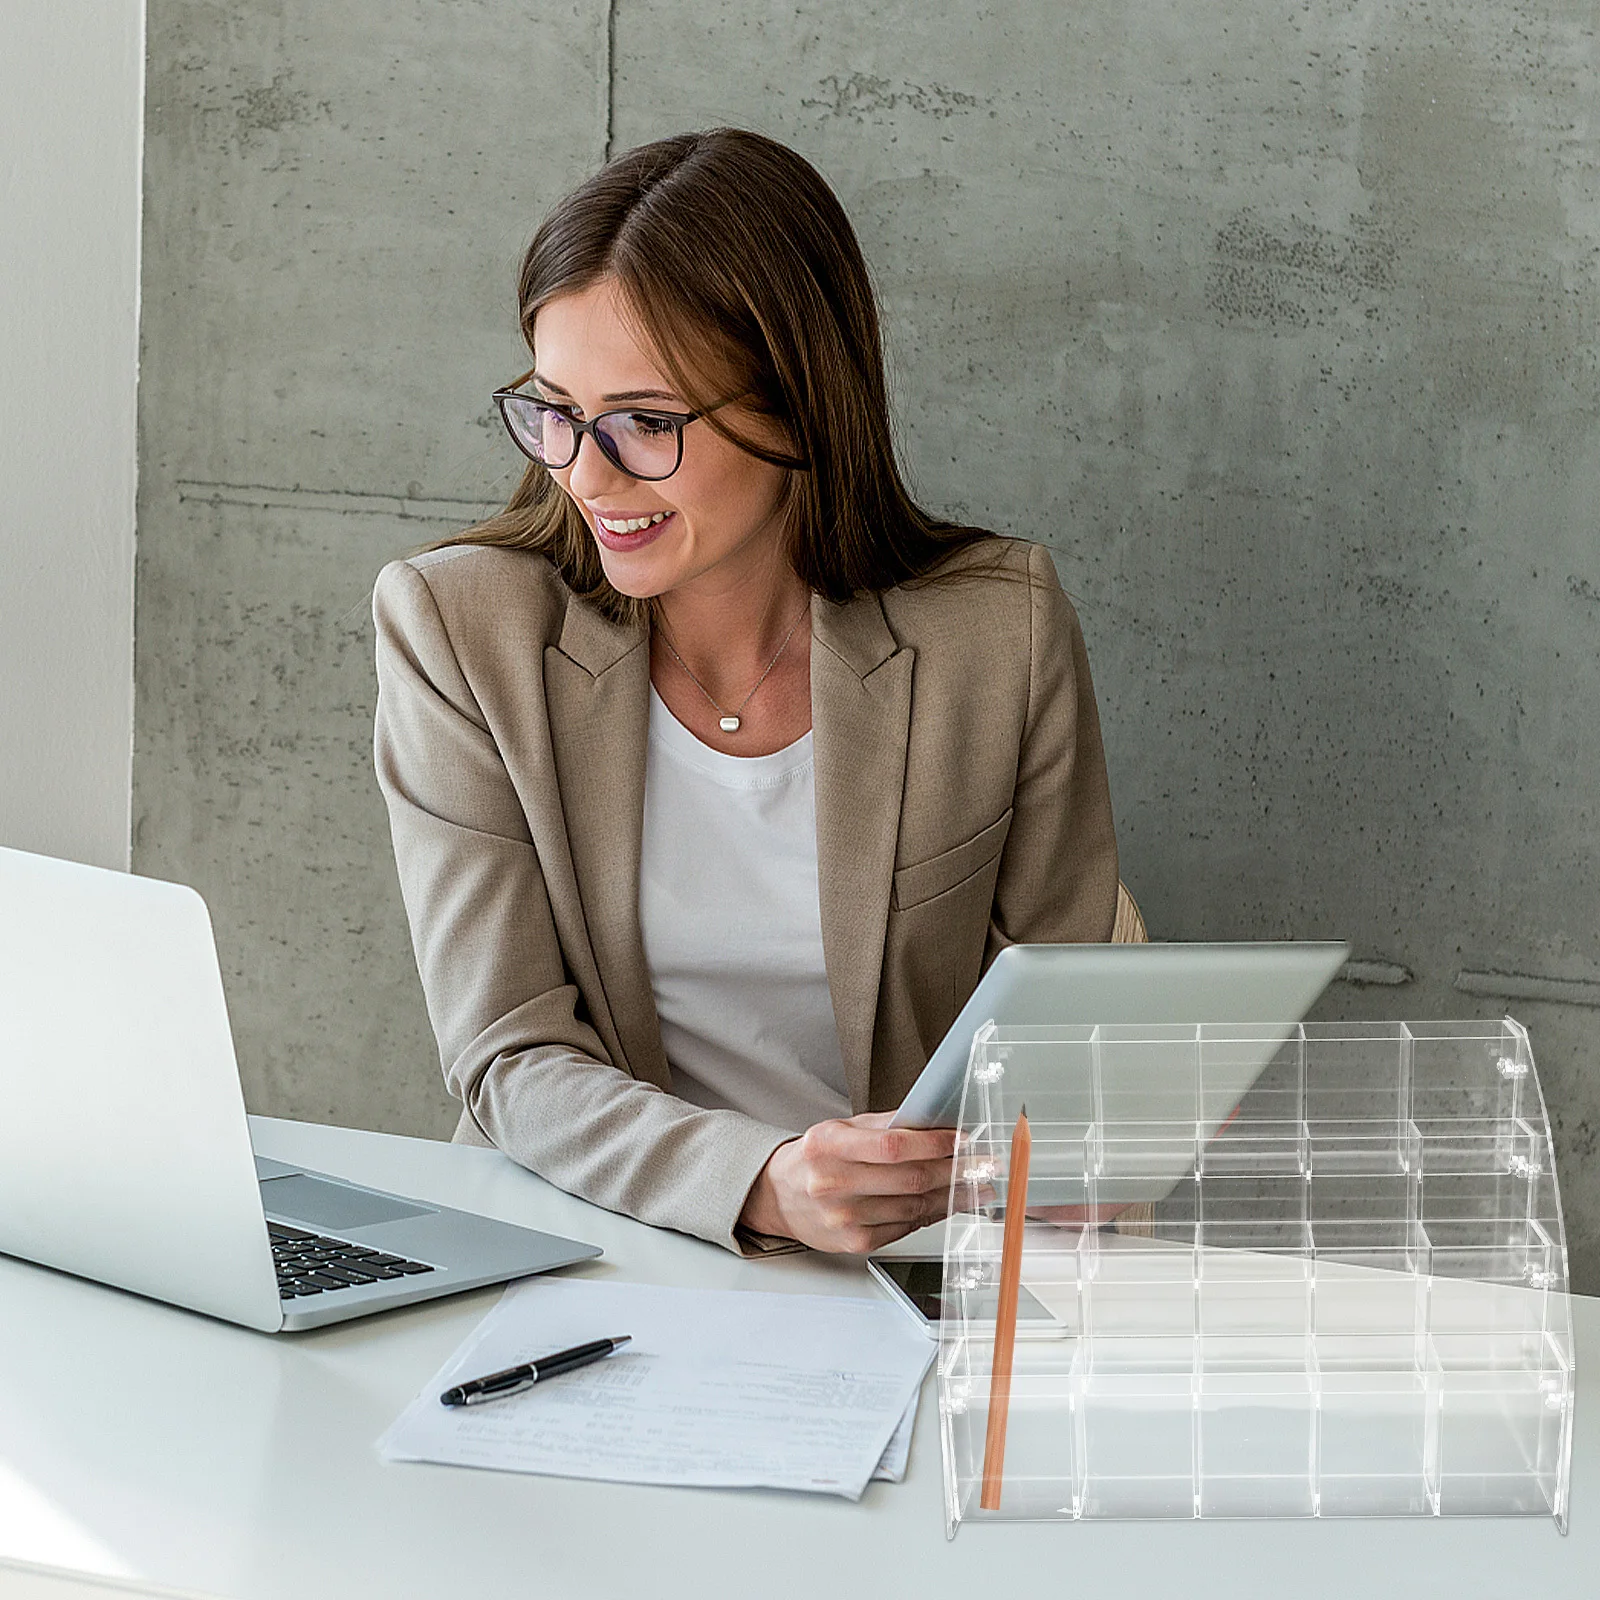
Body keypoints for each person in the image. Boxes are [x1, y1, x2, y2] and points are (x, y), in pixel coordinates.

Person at [372, 128, 1119, 1258]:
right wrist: (761, 1181)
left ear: (797, 407)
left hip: (906, 1278)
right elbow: (506, 1057)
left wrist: (1076, 1144)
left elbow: (1058, 1034)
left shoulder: (995, 632)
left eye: (645, 422)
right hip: (601, 1252)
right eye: (555, 408)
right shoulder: (461, 630)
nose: (584, 471)